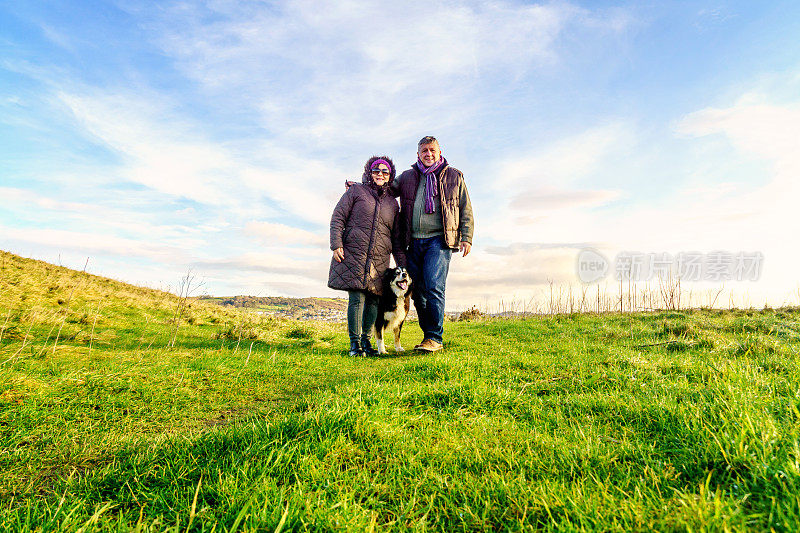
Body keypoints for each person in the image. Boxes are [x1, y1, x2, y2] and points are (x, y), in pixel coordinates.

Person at [393, 136, 474, 352]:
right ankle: (428, 335)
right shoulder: (408, 177)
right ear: (418, 155)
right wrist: (362, 187)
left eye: (432, 150)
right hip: (413, 241)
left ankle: (434, 338)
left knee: (434, 287)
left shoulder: (454, 176)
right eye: (424, 151)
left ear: (439, 152)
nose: (428, 154)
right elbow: (385, 188)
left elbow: (465, 207)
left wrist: (466, 236)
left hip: (440, 239)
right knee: (418, 291)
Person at [328, 156, 405, 356]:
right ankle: (355, 344)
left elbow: (396, 237)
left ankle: (367, 343)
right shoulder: (356, 191)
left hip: (380, 257)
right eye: (376, 170)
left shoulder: (392, 204)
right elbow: (338, 216)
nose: (380, 174)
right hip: (354, 253)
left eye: (385, 171)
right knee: (357, 298)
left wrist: (402, 264)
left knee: (373, 300)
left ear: (390, 175)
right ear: (369, 172)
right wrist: (336, 244)